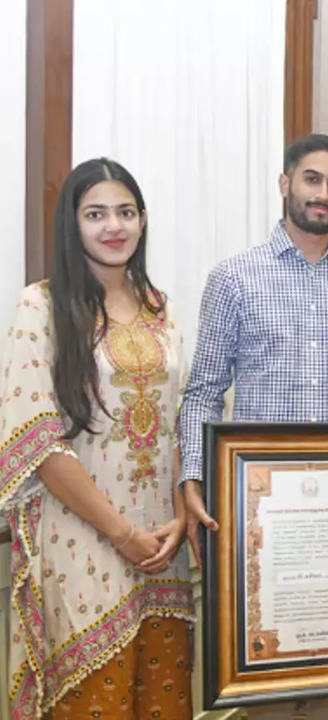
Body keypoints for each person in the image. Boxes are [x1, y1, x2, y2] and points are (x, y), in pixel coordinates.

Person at [179, 133, 328, 719]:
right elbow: (203, 389)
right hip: (261, 518)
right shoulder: (234, 277)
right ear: (285, 184)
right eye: (312, 179)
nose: (322, 194)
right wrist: (192, 479)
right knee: (267, 686)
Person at [1, 158, 193, 720]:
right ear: (72, 224)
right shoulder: (41, 305)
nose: (114, 226)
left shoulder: (164, 308)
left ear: (143, 220)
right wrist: (120, 532)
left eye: (126, 212)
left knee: (163, 700)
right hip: (81, 538)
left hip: (162, 542)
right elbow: (36, 442)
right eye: (96, 214)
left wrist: (180, 516)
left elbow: (181, 419)